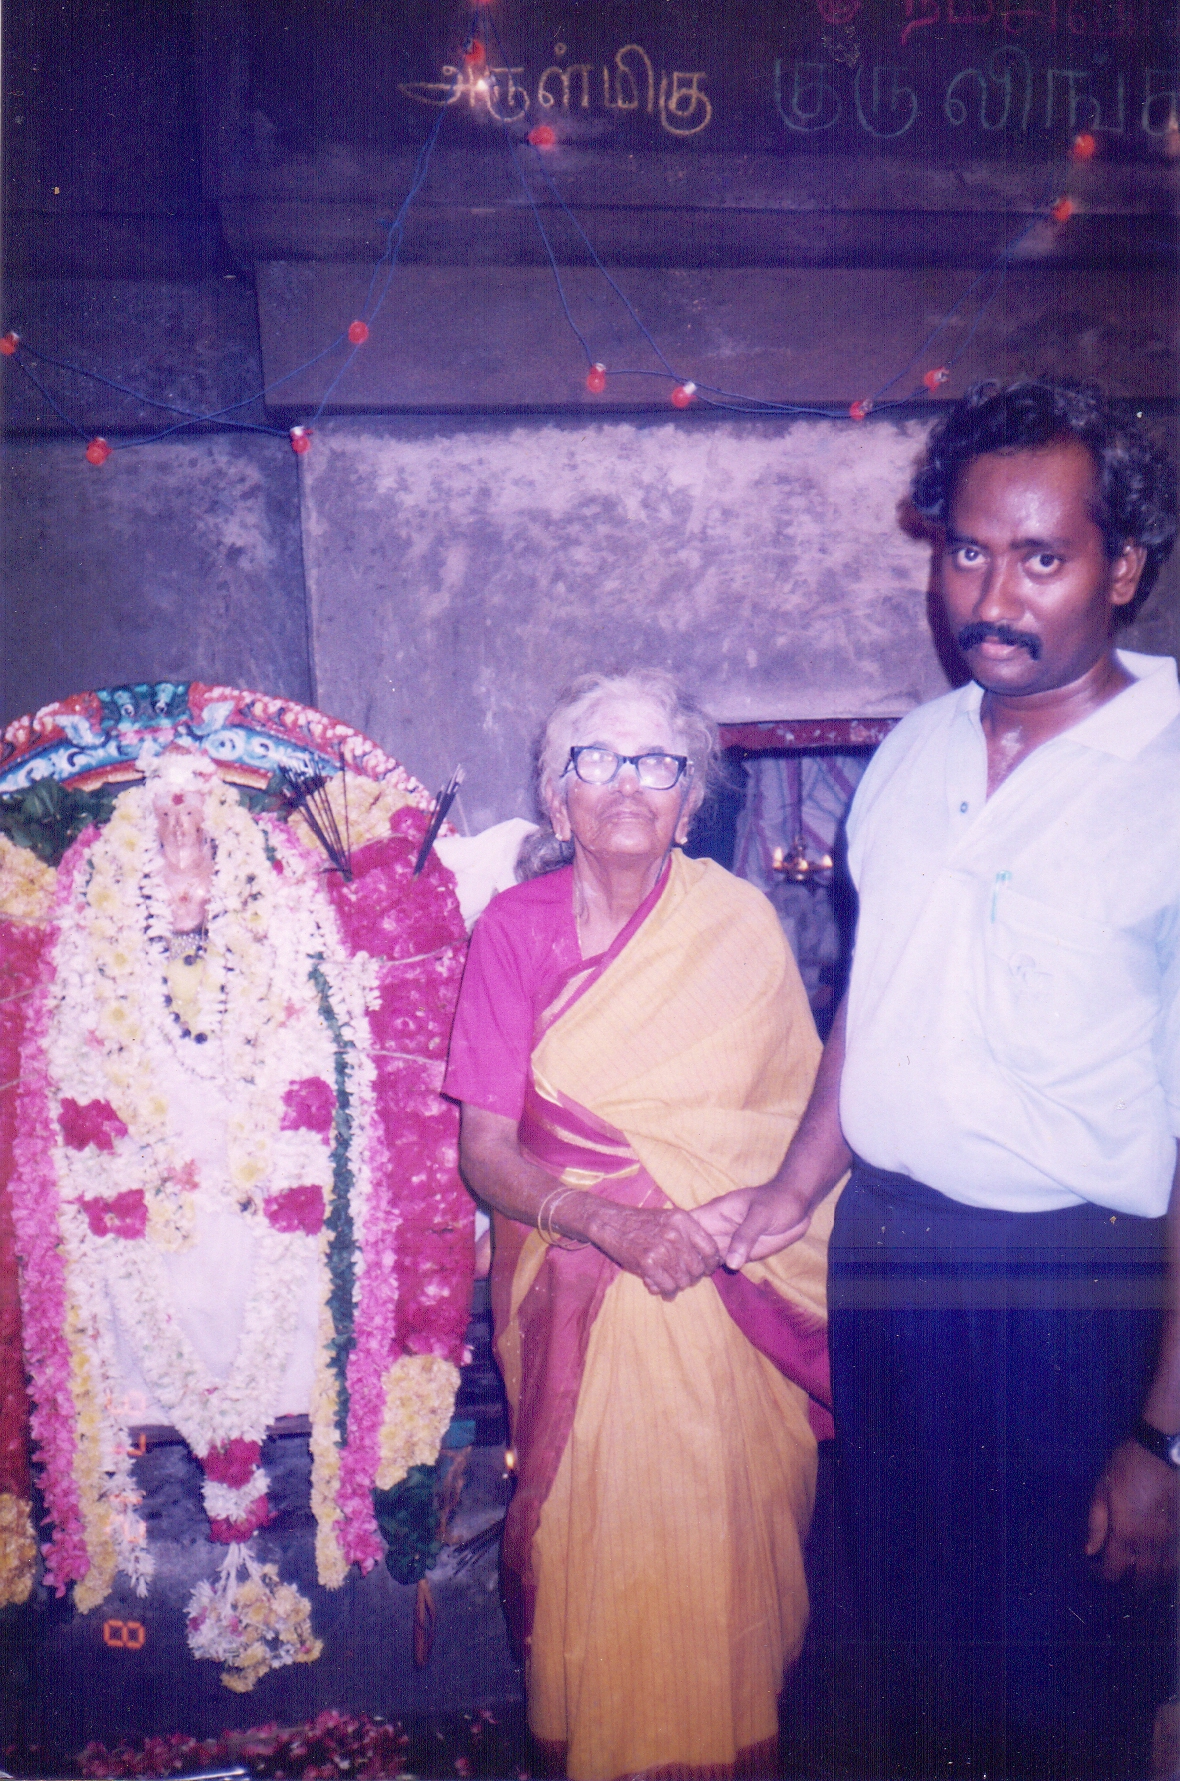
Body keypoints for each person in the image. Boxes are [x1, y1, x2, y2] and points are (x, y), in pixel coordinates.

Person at [701, 380, 1180, 1780]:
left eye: (1043, 556)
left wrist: (1166, 1435)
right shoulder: (912, 753)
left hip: (1078, 1285)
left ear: (1124, 567)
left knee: (1066, 1689)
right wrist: (799, 1184)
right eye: (967, 550)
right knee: (908, 1651)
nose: (991, 590)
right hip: (896, 1257)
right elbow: (880, 996)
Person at [445, 669, 838, 1781]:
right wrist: (613, 1227)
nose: (628, 784)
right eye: (597, 760)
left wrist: (724, 1212)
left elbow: (788, 1118)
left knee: (718, 1555)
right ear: (558, 792)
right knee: (605, 1557)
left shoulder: (738, 923)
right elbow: (487, 1151)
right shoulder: (514, 933)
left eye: (657, 761)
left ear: (689, 791)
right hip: (577, 1282)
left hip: (721, 1295)